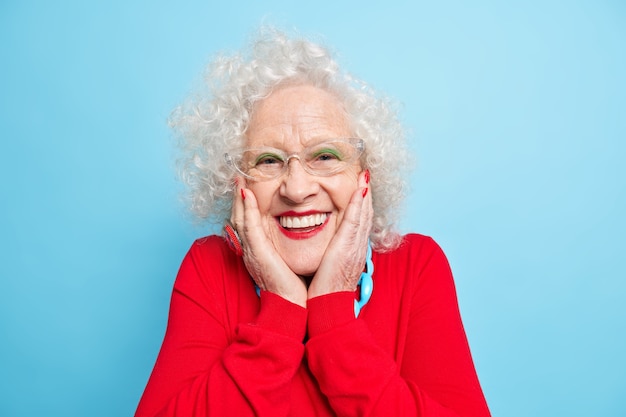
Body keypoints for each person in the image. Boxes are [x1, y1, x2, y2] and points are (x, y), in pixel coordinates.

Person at [135, 28, 491, 417]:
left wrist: (333, 316)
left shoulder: (417, 264)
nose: (297, 188)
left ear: (364, 176)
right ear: (238, 184)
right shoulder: (210, 266)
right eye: (268, 160)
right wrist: (281, 311)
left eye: (324, 156)